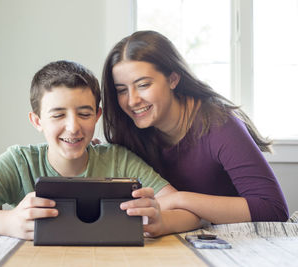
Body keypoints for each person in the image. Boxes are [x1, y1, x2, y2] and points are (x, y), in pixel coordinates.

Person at [0, 60, 201, 240]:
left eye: (84, 114)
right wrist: (7, 222)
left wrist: (161, 220)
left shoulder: (119, 159)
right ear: (37, 121)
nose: (73, 127)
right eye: (57, 115)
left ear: (98, 115)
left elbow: (189, 212)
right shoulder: (20, 161)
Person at [101, 30, 289, 224]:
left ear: (173, 79)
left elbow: (273, 210)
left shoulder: (219, 124)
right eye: (122, 90)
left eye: (143, 85)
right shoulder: (131, 132)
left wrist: (179, 198)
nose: (132, 101)